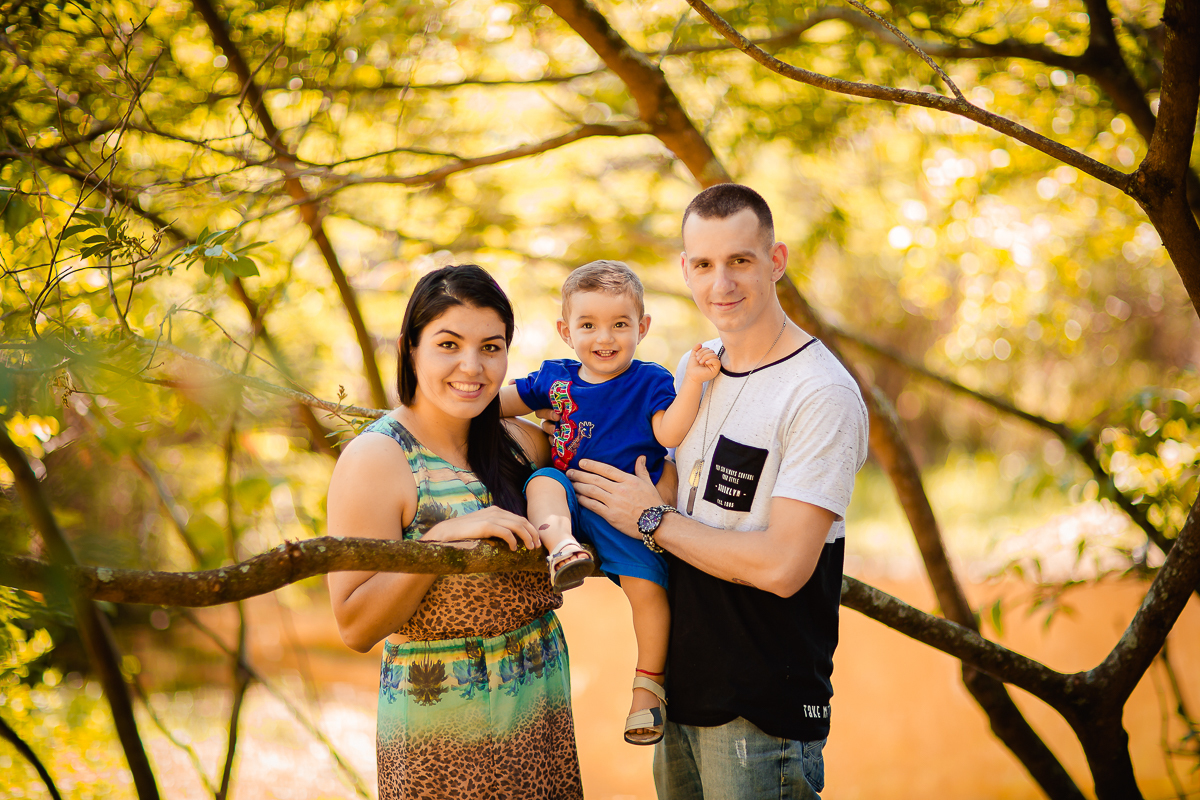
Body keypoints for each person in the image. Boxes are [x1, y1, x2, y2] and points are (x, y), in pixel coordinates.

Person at [566, 185, 870, 799]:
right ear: (684, 269)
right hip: (682, 696)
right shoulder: (694, 371)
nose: (720, 283)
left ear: (776, 260)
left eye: (741, 261)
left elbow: (785, 566)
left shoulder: (818, 393)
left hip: (763, 711)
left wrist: (650, 519)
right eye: (703, 264)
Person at [327, 264, 583, 800]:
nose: (473, 366)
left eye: (491, 347)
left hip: (540, 719)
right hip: (444, 737)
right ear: (410, 348)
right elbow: (353, 626)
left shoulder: (520, 444)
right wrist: (438, 543)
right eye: (449, 344)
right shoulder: (379, 457)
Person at [499, 260, 720, 746]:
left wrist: (694, 385)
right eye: (588, 325)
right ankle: (562, 549)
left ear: (642, 327)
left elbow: (669, 432)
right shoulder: (555, 379)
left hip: (628, 510)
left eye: (621, 324)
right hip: (571, 502)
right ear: (565, 330)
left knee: (648, 593)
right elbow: (494, 403)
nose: (606, 337)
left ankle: (647, 690)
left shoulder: (651, 380)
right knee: (542, 481)